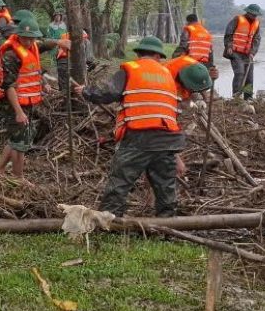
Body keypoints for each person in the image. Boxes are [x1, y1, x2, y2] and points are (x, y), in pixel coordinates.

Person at [74, 36, 185, 217]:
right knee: (166, 186)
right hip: (167, 139)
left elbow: (107, 92)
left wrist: (86, 91)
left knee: (120, 181)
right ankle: (168, 224)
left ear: (139, 54)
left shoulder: (131, 69)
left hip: (139, 137)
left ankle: (110, 220)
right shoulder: (166, 75)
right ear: (158, 56)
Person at [0, 18, 69, 177]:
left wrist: (59, 43)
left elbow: (44, 44)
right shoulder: (11, 55)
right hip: (14, 104)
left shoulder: (32, 46)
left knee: (16, 140)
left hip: (26, 102)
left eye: (32, 38)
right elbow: (9, 86)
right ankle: (18, 178)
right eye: (25, 37)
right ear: (18, 35)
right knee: (20, 145)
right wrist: (18, 112)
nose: (29, 41)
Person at [223, 4, 262, 100]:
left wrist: (253, 52)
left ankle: (248, 98)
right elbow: (229, 33)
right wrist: (229, 46)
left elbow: (256, 39)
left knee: (249, 76)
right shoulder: (237, 19)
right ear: (248, 12)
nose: (254, 16)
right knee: (240, 72)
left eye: (256, 15)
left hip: (248, 54)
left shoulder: (256, 24)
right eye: (253, 14)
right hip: (235, 52)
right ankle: (236, 96)